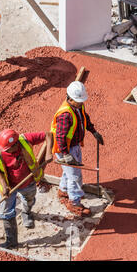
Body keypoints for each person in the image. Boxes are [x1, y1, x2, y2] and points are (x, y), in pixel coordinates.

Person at [0, 129, 53, 249]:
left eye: (8, 149)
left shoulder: (24, 140)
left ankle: (26, 213)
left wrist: (49, 152)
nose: (6, 151)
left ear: (16, 144)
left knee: (29, 200)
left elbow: (48, 134)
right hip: (9, 187)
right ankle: (12, 241)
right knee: (6, 212)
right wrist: (5, 185)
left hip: (28, 183)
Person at [50, 81, 104, 216]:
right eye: (78, 101)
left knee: (68, 173)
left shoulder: (77, 107)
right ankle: (75, 203)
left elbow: (84, 118)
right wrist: (66, 154)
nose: (80, 103)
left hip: (73, 146)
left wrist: (93, 131)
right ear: (69, 98)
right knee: (75, 177)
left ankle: (63, 191)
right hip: (66, 150)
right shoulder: (65, 115)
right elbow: (60, 136)